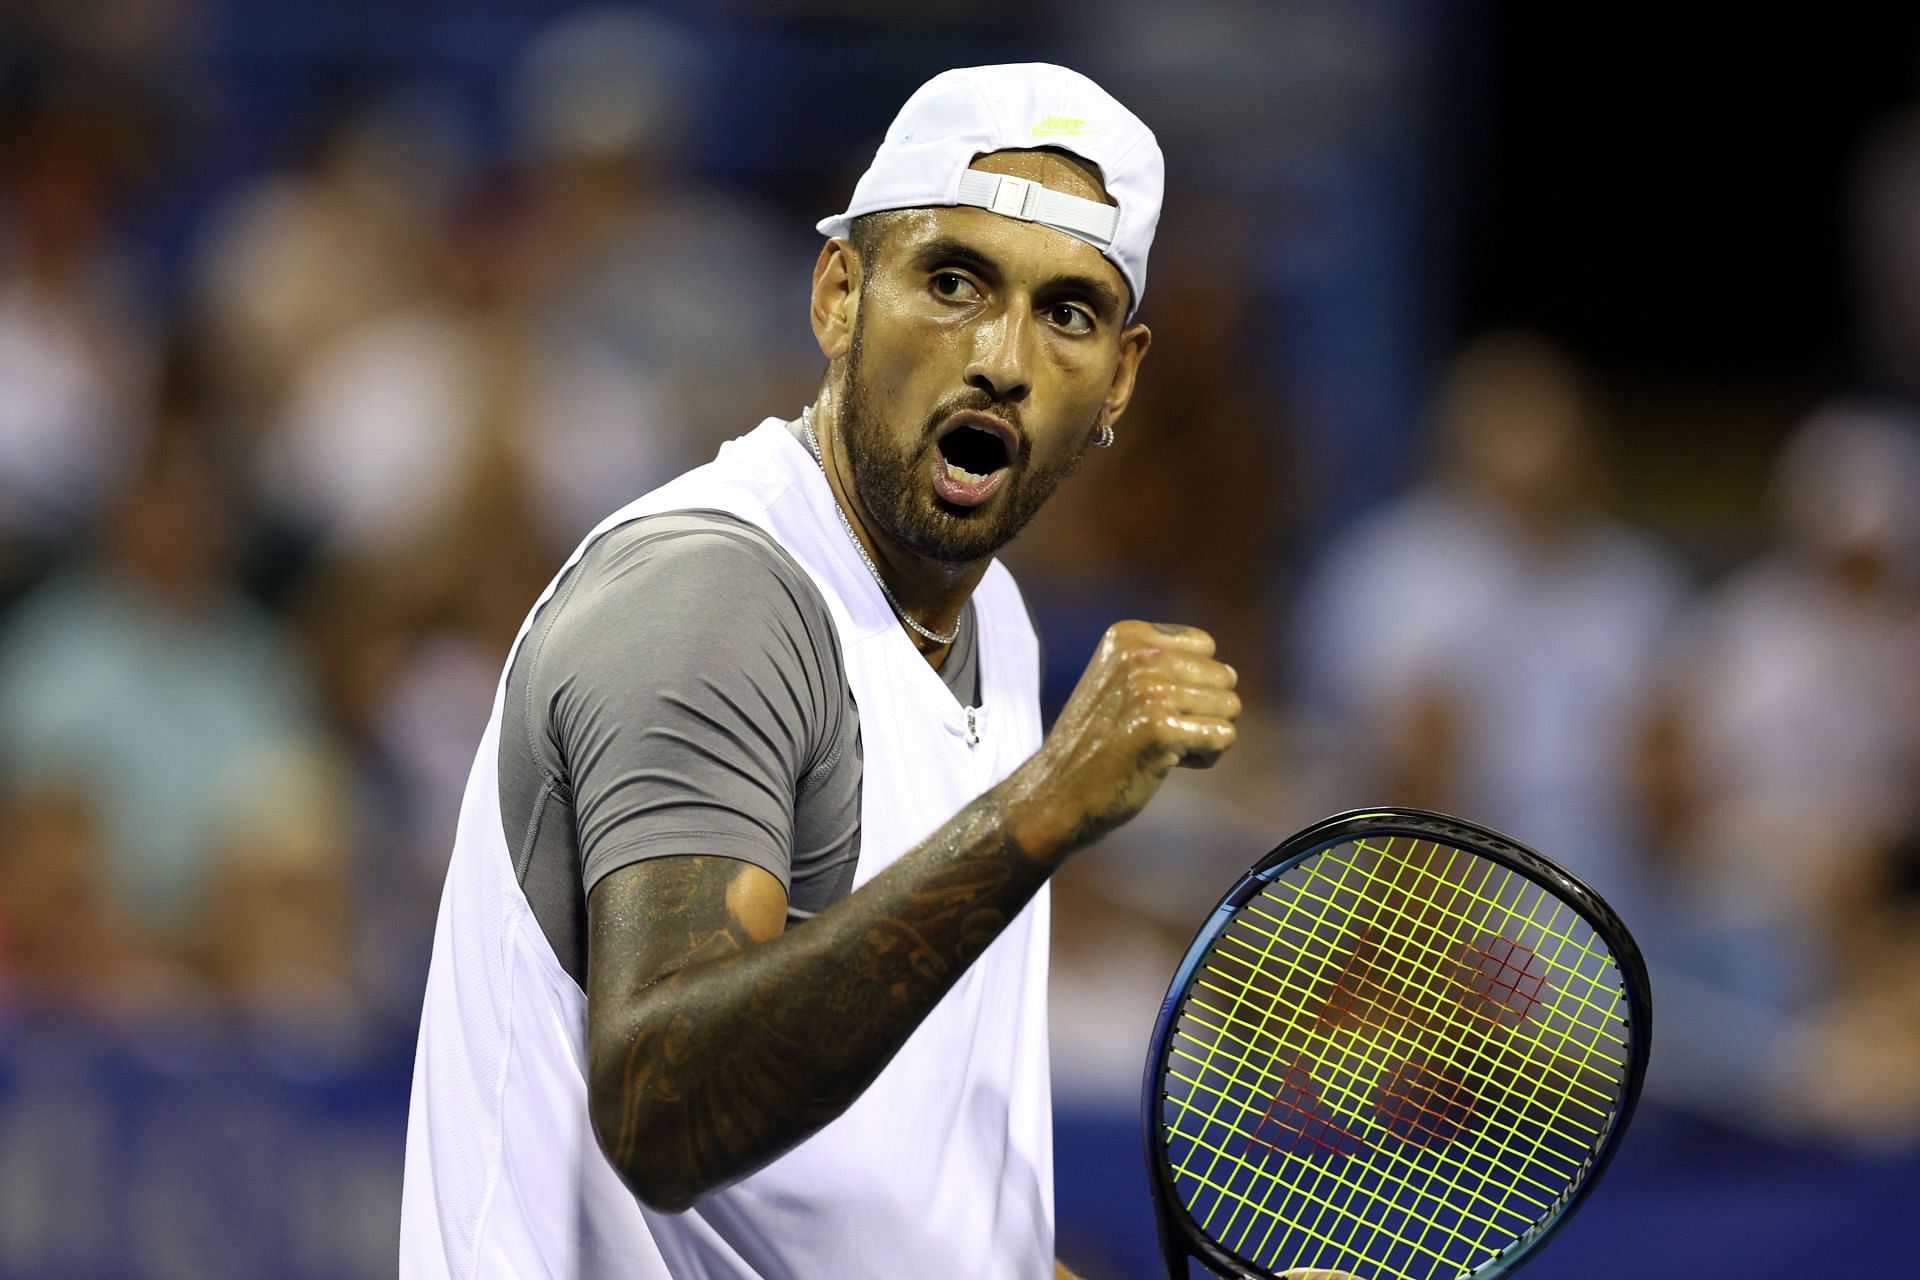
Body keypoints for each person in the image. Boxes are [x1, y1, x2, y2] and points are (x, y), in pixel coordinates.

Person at [400, 63, 1350, 1280]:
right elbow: (664, 1110)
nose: (1002, 357)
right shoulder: (714, 597)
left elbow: (882, 1224)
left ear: (1118, 379)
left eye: (1067, 312)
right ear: (840, 293)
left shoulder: (992, 621)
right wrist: (1044, 808)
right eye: (953, 282)